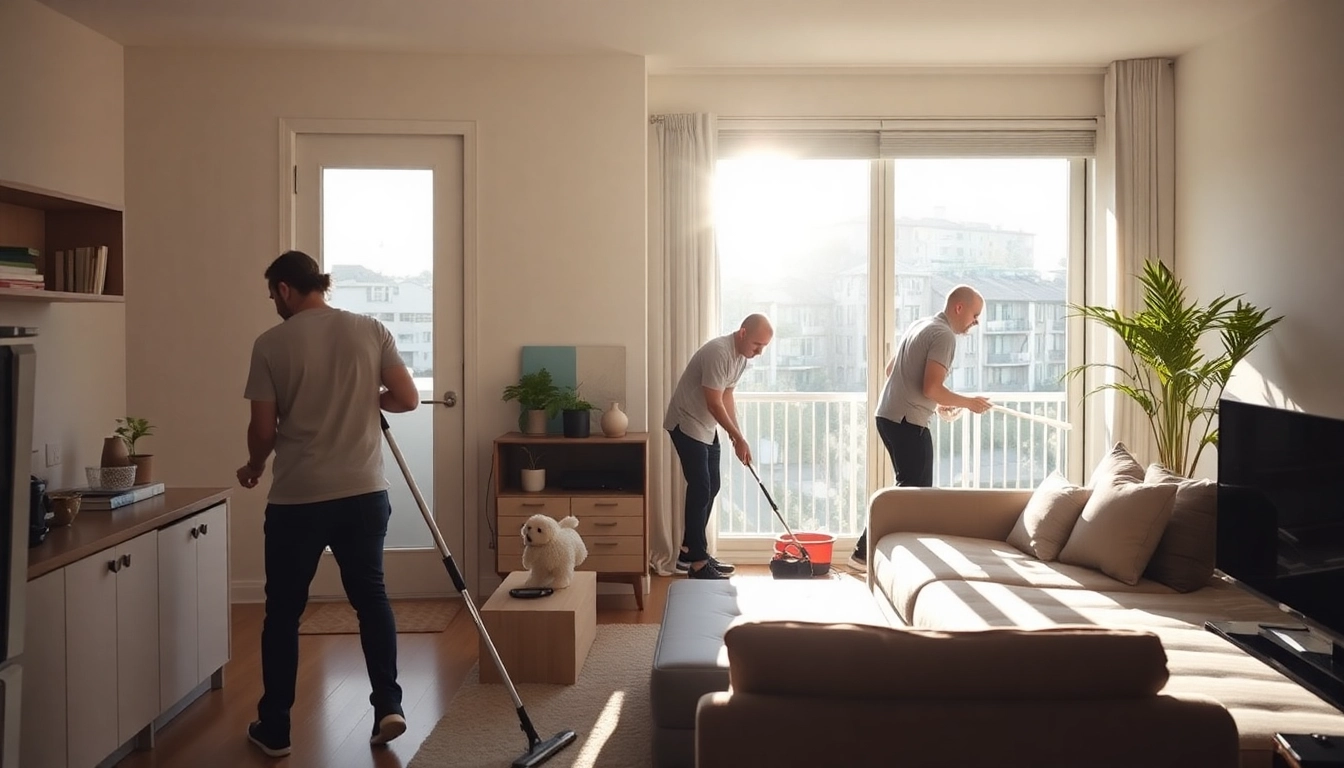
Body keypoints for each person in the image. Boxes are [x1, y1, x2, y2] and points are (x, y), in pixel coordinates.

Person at [237, 250, 421, 758]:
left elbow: (262, 429)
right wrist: (367, 395)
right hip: (363, 491)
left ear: (283, 290)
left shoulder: (271, 344)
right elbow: (407, 399)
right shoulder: (369, 328)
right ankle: (389, 705)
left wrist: (253, 467)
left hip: (298, 497)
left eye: (272, 293)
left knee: (283, 612)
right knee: (371, 599)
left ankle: (275, 728)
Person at [850, 285, 993, 572]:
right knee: (915, 494)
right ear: (959, 308)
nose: (975, 322)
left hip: (887, 415)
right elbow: (931, 387)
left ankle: (873, 554)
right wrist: (968, 403)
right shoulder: (944, 336)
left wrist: (936, 403)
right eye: (975, 315)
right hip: (906, 421)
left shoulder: (922, 324)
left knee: (910, 490)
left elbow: (893, 370)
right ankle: (864, 554)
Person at [665, 314, 774, 579]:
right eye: (757, 345)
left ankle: (690, 551)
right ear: (742, 333)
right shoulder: (718, 352)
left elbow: (727, 396)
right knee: (701, 486)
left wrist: (737, 435)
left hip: (706, 426)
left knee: (712, 485)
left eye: (764, 348)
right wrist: (736, 436)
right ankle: (698, 563)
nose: (759, 352)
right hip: (685, 423)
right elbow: (713, 402)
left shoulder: (740, 359)